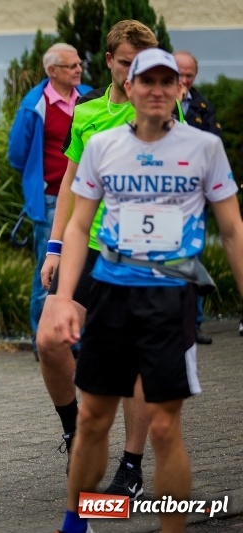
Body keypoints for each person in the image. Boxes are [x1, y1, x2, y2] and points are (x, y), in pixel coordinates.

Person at [50, 48, 243, 533]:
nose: (157, 90)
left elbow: (234, 231)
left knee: (162, 425)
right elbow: (78, 225)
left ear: (181, 89)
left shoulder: (204, 148)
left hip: (169, 299)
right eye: (147, 81)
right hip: (112, 293)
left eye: (167, 81)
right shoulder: (103, 146)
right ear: (129, 87)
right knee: (93, 418)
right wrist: (61, 297)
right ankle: (78, 522)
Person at [36, 20, 160, 500]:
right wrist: (54, 247)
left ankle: (131, 465)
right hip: (87, 244)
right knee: (50, 339)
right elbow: (69, 182)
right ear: (109, 61)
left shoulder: (163, 107)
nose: (137, 73)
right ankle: (74, 431)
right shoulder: (87, 113)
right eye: (128, 63)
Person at [8, 44, 91, 356]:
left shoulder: (88, 98)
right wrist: (37, 178)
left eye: (78, 64)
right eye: (71, 65)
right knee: (48, 269)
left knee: (83, 267)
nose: (78, 69)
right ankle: (40, 335)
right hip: (51, 197)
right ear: (52, 71)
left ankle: (75, 336)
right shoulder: (34, 105)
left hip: (86, 197)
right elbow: (16, 154)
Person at [174, 50, 223, 345]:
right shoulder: (160, 102)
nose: (184, 80)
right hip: (166, 200)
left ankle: (195, 322)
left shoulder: (203, 106)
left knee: (194, 257)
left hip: (194, 199)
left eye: (189, 75)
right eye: (178, 73)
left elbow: (212, 146)